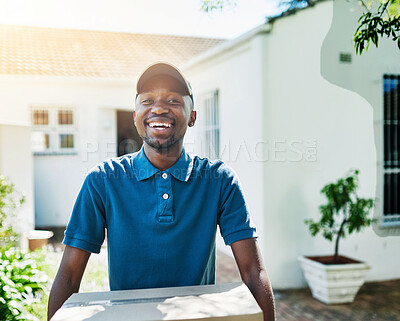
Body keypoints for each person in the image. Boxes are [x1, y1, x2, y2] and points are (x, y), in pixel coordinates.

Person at [47, 62, 275, 321]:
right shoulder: (103, 180)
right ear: (135, 115)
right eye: (147, 100)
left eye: (174, 101)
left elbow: (253, 272)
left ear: (192, 116)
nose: (158, 108)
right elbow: (69, 275)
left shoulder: (219, 180)